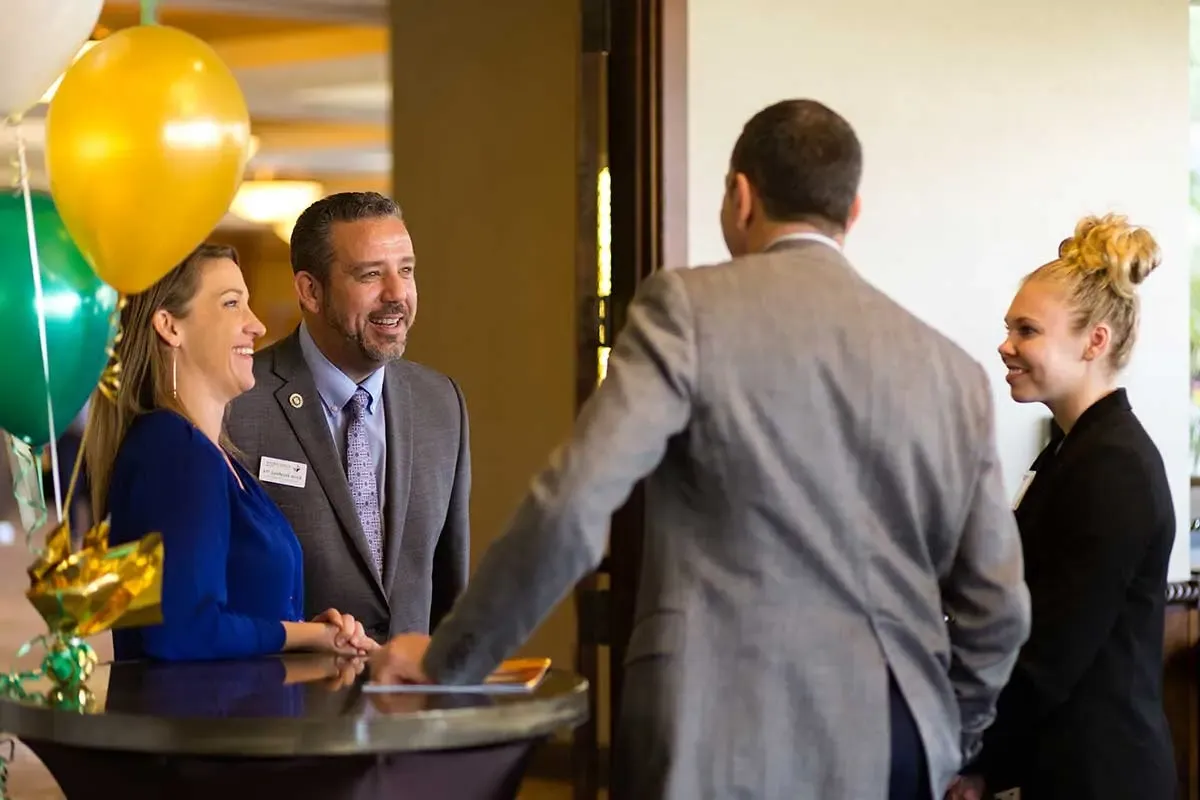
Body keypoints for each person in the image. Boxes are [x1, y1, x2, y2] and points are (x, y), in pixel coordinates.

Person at [370, 99, 1031, 800]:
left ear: (740, 197)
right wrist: (949, 732)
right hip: (899, 742)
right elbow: (1000, 605)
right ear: (853, 212)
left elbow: (571, 507)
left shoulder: (688, 310)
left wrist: (453, 662)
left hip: (722, 740)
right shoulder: (951, 371)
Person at [949, 215, 1176, 800]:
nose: (1005, 346)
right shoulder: (1074, 450)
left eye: (1027, 331)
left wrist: (978, 763)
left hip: (1103, 774)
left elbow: (1052, 653)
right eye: (1008, 328)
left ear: (1094, 341)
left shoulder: (1112, 467)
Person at [85, 243, 377, 662]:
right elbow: (180, 633)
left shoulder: (209, 454)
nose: (256, 326)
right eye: (231, 304)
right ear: (170, 326)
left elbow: (224, 608)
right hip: (203, 725)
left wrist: (311, 630)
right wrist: (303, 636)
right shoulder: (174, 450)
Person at [226, 193, 470, 643]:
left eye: (407, 270)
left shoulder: (442, 403)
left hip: (406, 705)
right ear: (310, 291)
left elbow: (449, 592)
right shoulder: (236, 403)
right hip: (284, 703)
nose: (397, 294)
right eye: (371, 274)